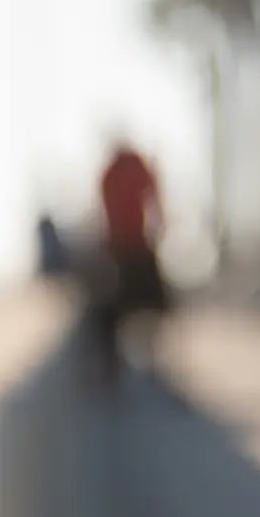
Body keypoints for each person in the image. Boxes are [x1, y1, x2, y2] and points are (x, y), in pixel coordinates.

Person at [92, 141, 167, 383]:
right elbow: (154, 201)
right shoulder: (129, 168)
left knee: (141, 305)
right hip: (129, 248)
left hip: (126, 247)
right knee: (133, 306)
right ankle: (122, 362)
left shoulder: (115, 170)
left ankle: (127, 361)